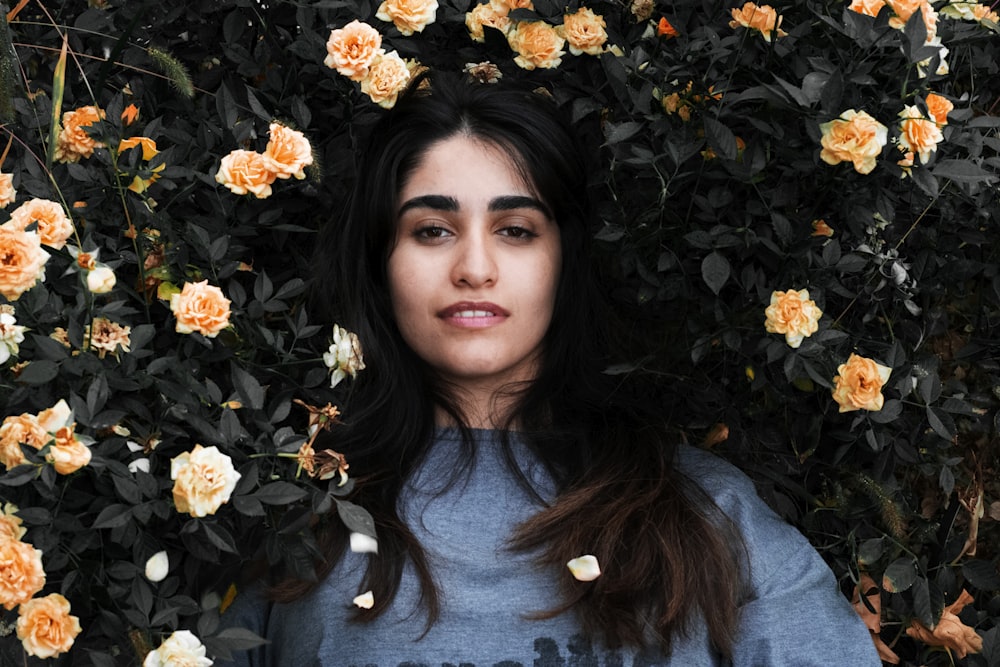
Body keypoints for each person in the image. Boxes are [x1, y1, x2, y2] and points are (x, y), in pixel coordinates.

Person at [222, 71, 882, 667]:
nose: (474, 268)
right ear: (380, 262)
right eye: (432, 230)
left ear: (563, 260)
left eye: (516, 229)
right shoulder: (294, 516)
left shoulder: (709, 515)